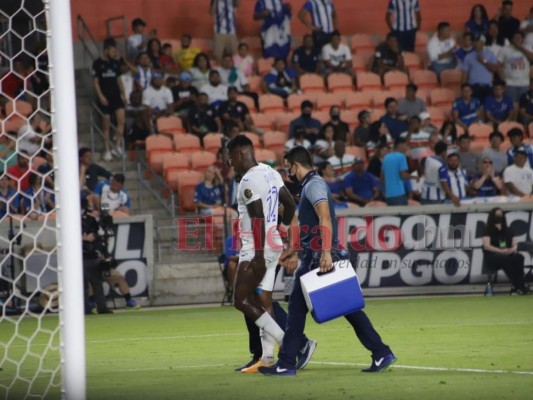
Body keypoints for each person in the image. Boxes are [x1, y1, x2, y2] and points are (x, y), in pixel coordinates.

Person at [259, 146, 396, 376]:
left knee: (297, 309)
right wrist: (294, 251)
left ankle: (287, 363)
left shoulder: (314, 185)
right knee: (347, 309)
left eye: (288, 168)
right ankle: (381, 352)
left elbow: (324, 219)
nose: (288, 173)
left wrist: (325, 253)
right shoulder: (311, 185)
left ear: (296, 165)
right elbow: (313, 225)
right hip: (315, 254)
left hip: (319, 256)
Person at [226, 135, 301, 372]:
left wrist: (257, 254)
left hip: (256, 248)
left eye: (230, 159)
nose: (230, 164)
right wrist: (282, 224)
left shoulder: (247, 180)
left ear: (238, 154)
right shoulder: (270, 172)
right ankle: (267, 359)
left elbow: (256, 218)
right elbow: (289, 203)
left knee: (241, 300)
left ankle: (291, 344)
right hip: (274, 242)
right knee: (263, 300)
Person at [92, 40, 126, 161]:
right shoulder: (97, 63)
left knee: (121, 121)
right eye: (112, 51)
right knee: (106, 125)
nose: (114, 53)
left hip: (116, 96)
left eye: (115, 51)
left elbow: (118, 80)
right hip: (105, 97)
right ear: (106, 50)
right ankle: (107, 150)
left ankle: (116, 146)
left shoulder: (116, 64)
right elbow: (95, 82)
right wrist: (101, 96)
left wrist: (123, 94)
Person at [482, 207, 529, 295]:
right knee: (506, 258)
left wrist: (512, 249)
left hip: (507, 254)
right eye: (497, 215)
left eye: (501, 215)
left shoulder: (508, 230)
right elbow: (486, 246)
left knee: (518, 257)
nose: (499, 217)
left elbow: (514, 244)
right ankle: (518, 285)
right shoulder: (487, 229)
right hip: (492, 256)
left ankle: (520, 285)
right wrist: (501, 251)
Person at [81, 207, 113, 315]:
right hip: (82, 258)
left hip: (93, 257)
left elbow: (100, 237)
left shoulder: (95, 224)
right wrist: (83, 238)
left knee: (97, 284)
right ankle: (86, 308)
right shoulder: (77, 222)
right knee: (84, 285)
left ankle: (101, 307)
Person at [461, 34, 500, 103]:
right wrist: (463, 89)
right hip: (473, 87)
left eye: (478, 41)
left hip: (487, 86)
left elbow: (494, 69)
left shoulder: (490, 54)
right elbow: (465, 74)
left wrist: (483, 61)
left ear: (483, 42)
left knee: (487, 108)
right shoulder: (468, 56)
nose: (476, 43)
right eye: (475, 41)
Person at [420, 141, 460, 206]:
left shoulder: (428, 159)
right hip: (436, 197)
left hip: (425, 195)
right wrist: (452, 196)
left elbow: (422, 165)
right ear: (444, 152)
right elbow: (443, 183)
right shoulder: (442, 165)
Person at [498, 31, 533, 102]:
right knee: (512, 106)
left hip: (524, 83)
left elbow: (531, 57)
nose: (517, 39)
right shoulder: (504, 49)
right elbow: (498, 66)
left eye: (519, 38)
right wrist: (503, 80)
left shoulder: (527, 48)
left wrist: (520, 48)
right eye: (515, 37)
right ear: (512, 39)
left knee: (523, 106)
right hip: (510, 83)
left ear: (522, 39)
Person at [381, 137, 412, 205]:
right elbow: (402, 175)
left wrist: (384, 192)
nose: (407, 147)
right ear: (400, 145)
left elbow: (382, 178)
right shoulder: (401, 156)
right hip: (399, 194)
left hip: (389, 195)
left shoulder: (386, 158)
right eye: (406, 145)